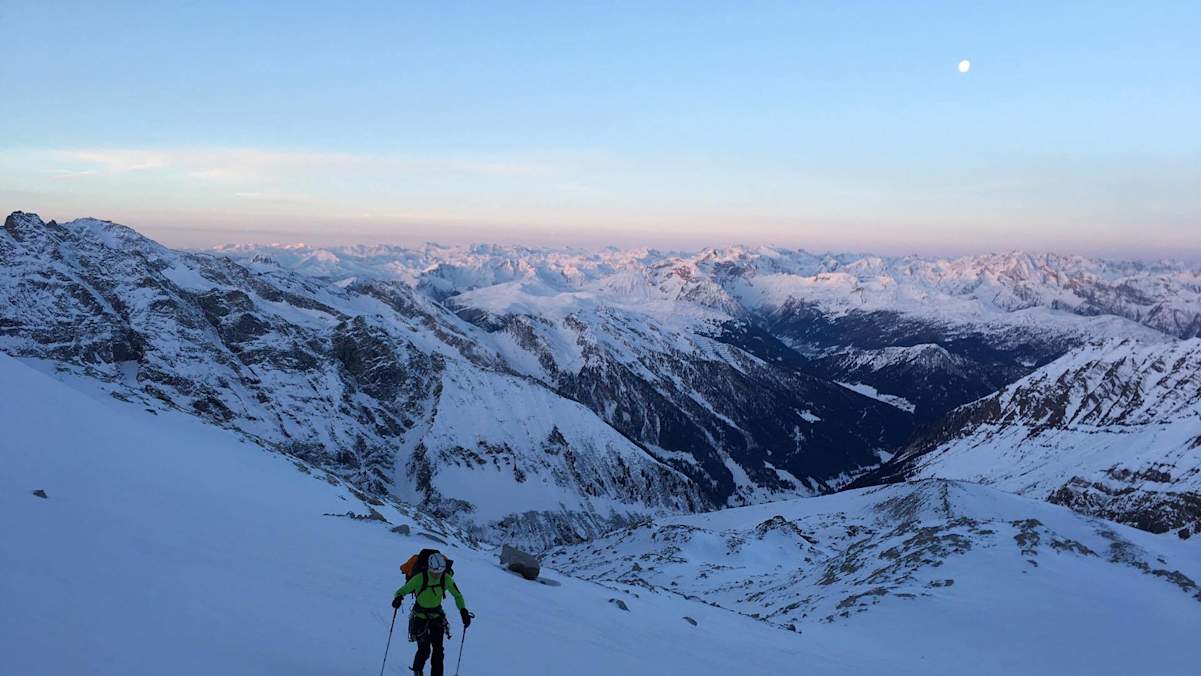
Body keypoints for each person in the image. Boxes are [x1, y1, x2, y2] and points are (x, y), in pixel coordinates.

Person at [391, 552, 471, 676]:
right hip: (420, 617)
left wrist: (463, 611)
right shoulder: (420, 578)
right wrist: (398, 598)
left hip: (436, 617)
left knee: (438, 652)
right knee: (424, 650)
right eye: (435, 572)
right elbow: (402, 591)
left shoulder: (446, 578)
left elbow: (457, 595)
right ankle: (418, 671)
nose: (438, 575)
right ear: (429, 568)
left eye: (440, 572)